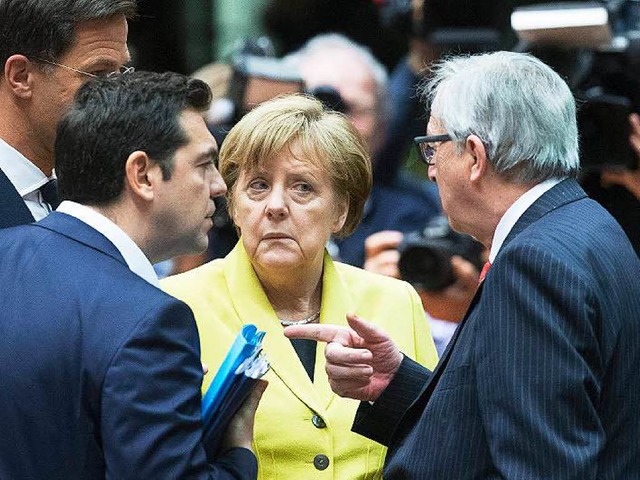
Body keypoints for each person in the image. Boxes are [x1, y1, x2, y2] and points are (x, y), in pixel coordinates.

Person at [286, 51, 640, 478]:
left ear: (474, 156)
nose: (431, 172)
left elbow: (544, 466)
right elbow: (508, 411)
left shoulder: (534, 261)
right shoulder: (588, 222)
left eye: (433, 148)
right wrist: (396, 382)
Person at [0, 71, 266, 479]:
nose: (219, 186)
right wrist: (238, 451)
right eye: (205, 164)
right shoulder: (149, 321)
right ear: (142, 175)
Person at [162, 94, 439, 479]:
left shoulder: (396, 300)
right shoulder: (176, 307)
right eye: (258, 186)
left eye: (303, 188)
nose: (275, 206)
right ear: (235, 207)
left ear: (341, 211)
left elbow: (436, 444)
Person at [287, 33, 441, 267]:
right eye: (315, 105)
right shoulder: (250, 209)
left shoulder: (411, 215)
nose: (331, 124)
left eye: (349, 109)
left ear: (382, 127)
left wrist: (378, 292)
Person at [0, 0, 135, 229]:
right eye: (99, 75)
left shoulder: (94, 195)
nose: (119, 95)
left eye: (121, 74)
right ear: (21, 77)